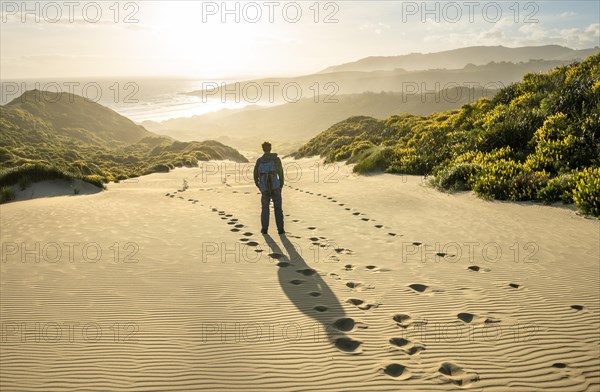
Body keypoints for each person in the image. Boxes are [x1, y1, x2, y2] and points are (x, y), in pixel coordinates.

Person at [254, 142, 285, 234]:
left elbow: (255, 175)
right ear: (270, 148)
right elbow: (281, 173)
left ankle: (264, 230)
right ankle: (280, 230)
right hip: (276, 186)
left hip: (264, 188)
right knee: (278, 208)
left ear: (263, 149)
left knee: (265, 208)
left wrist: (259, 186)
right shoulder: (276, 159)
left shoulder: (259, 160)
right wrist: (281, 185)